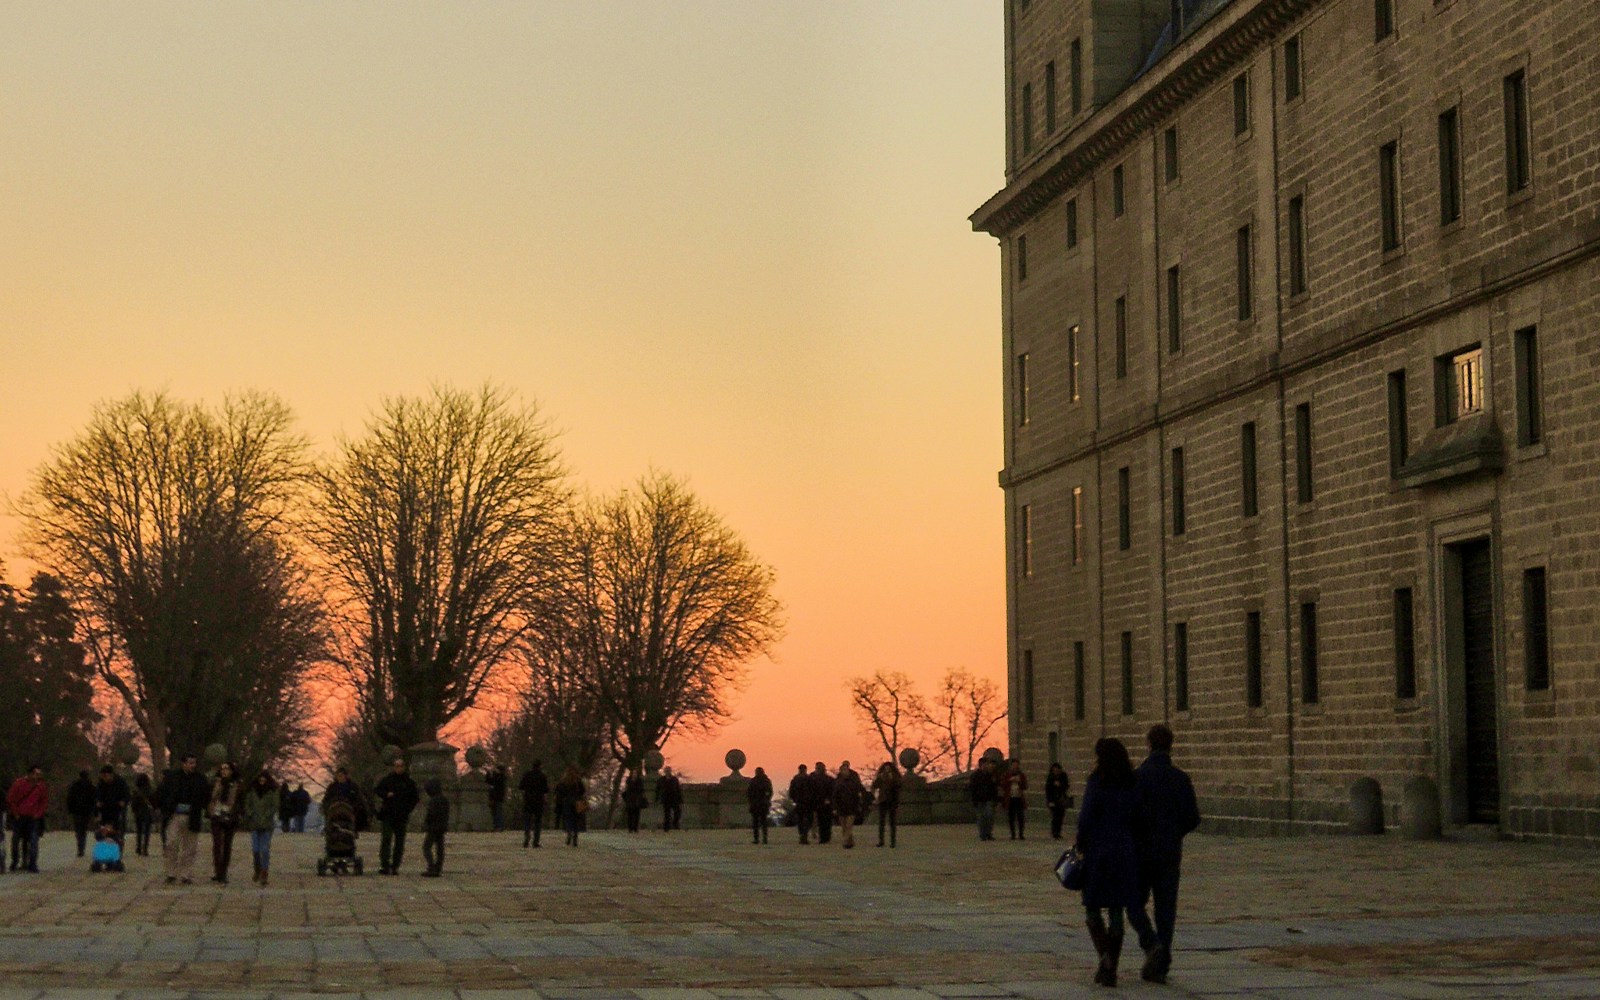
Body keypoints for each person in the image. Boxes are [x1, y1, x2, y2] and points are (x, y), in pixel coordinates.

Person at [1126, 724, 1201, 984]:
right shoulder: (1180, 779)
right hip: (1170, 853)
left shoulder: (1138, 778)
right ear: (1171, 745)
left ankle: (1150, 942)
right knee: (1166, 909)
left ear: (1149, 744)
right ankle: (1162, 961)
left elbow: (1129, 816)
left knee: (1134, 902)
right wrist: (1174, 833)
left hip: (1142, 853)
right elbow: (1193, 818)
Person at [1075, 737, 1141, 988]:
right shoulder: (1131, 782)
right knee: (1116, 910)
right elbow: (1138, 816)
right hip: (1124, 851)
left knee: (1092, 907)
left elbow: (1086, 816)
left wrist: (1081, 842)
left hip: (1099, 852)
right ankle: (1111, 964)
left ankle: (1105, 959)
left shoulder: (1098, 781)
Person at [158, 753, 210, 885]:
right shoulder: (172, 777)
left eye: (194, 763)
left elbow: (206, 796)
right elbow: (162, 793)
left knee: (190, 847)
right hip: (174, 815)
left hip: (192, 816)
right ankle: (171, 872)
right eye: (190, 763)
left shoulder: (200, 779)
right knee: (171, 843)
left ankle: (185, 874)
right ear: (183, 763)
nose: (193, 765)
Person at [374, 758, 420, 875]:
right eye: (396, 766)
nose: (398, 768)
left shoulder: (409, 782)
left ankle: (395, 866)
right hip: (388, 814)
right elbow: (378, 790)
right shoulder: (388, 780)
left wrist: (407, 809)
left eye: (400, 766)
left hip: (401, 815)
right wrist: (386, 794)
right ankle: (385, 865)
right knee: (386, 839)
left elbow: (414, 798)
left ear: (404, 767)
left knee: (399, 842)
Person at [240, 768, 279, 886]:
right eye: (260, 778)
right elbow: (248, 804)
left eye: (264, 778)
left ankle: (264, 872)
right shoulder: (252, 791)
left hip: (267, 825)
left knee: (265, 850)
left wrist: (267, 815)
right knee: (255, 850)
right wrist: (250, 814)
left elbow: (275, 805)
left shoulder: (272, 791)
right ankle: (257, 868)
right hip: (255, 824)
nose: (262, 780)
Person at [7, 765, 49, 872]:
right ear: (30, 774)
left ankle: (32, 864)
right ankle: (15, 861)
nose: (38, 776)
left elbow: (43, 802)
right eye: (36, 774)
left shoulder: (41, 786)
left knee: (33, 841)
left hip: (33, 818)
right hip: (20, 817)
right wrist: (15, 813)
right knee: (16, 840)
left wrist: (38, 813)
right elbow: (11, 799)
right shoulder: (19, 783)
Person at [208, 761, 242, 884]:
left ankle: (224, 872)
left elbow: (239, 802)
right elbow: (211, 797)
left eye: (226, 769)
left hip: (230, 816)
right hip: (217, 815)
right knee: (217, 844)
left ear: (231, 771)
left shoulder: (237, 785)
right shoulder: (216, 783)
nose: (224, 771)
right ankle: (218, 872)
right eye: (222, 769)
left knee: (227, 845)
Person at [831, 761, 865, 849]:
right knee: (844, 826)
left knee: (849, 825)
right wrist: (834, 807)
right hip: (841, 806)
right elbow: (834, 795)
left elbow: (859, 790)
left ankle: (845, 842)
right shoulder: (838, 780)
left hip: (851, 805)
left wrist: (860, 802)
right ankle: (850, 841)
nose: (844, 772)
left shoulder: (854, 778)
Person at [421, 779, 450, 877]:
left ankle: (431, 867)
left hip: (433, 827)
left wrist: (426, 824)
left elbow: (431, 814)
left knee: (426, 847)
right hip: (441, 827)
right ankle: (438, 868)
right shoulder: (444, 799)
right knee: (440, 848)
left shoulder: (433, 800)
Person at [871, 761, 902, 848]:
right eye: (885, 768)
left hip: (892, 801)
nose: (887, 770)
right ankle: (881, 840)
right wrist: (875, 797)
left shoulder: (895, 777)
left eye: (888, 768)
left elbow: (899, 786)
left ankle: (893, 841)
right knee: (882, 822)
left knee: (892, 823)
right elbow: (874, 786)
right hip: (883, 801)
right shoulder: (881, 777)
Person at [67, 770, 96, 857]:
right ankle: (82, 847)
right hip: (86, 811)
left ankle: (80, 847)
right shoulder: (91, 786)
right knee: (83, 830)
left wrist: (70, 809)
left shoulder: (74, 786)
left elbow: (70, 798)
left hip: (76, 811)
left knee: (78, 830)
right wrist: (93, 811)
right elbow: (94, 799)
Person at [553, 766, 586, 847]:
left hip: (567, 802)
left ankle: (569, 834)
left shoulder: (564, 781)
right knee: (576, 820)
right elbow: (583, 791)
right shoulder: (578, 781)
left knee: (568, 819)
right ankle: (575, 837)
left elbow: (560, 791)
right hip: (577, 802)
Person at [969, 758, 999, 841]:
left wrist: (995, 799)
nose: (987, 766)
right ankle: (983, 834)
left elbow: (994, 788)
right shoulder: (975, 775)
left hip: (989, 799)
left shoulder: (991, 775)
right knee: (981, 817)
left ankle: (988, 833)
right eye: (985, 764)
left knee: (989, 816)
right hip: (979, 799)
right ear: (981, 765)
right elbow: (972, 789)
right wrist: (974, 800)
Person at [520, 760, 548, 848]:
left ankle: (527, 837)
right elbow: (546, 789)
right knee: (538, 821)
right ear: (540, 766)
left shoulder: (527, 774)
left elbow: (521, 786)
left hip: (528, 800)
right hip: (538, 801)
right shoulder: (542, 776)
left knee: (527, 821)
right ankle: (536, 841)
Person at [95, 765, 130, 831]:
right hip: (105, 809)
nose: (104, 778)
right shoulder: (101, 783)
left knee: (118, 827)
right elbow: (97, 795)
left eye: (105, 776)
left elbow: (126, 794)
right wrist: (98, 802)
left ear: (111, 774)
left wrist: (123, 801)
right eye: (102, 776)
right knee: (105, 829)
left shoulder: (120, 782)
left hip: (117, 808)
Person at [1001, 759, 1029, 840]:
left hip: (1019, 798)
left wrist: (1019, 782)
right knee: (1011, 817)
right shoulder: (1007, 774)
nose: (1015, 767)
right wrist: (1010, 781)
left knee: (1020, 816)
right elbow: (1003, 784)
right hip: (1010, 798)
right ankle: (1013, 834)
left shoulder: (1021, 775)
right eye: (1013, 765)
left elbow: (1025, 786)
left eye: (1016, 765)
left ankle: (1021, 833)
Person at [130, 774, 156, 856]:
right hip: (147, 812)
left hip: (138, 813)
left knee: (139, 831)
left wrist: (134, 810)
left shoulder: (136, 791)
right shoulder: (150, 791)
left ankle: (138, 847)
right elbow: (154, 802)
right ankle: (145, 848)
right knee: (147, 832)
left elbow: (133, 803)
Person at [1045, 762, 1072, 840]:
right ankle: (1055, 833)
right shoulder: (1050, 778)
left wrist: (1060, 785)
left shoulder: (1063, 776)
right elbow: (1048, 790)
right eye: (1054, 770)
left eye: (1057, 770)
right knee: (1055, 816)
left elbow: (1066, 786)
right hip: (1053, 800)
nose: (1056, 771)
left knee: (1061, 816)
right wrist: (1050, 801)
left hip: (1061, 799)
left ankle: (1058, 832)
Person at [746, 766, 773, 845]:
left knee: (756, 823)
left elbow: (749, 793)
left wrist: (751, 801)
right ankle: (763, 838)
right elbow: (770, 792)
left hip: (756, 804)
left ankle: (757, 838)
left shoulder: (754, 781)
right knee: (763, 822)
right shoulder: (766, 781)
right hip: (762, 804)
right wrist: (767, 799)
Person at [787, 764, 813, 844]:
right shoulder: (809, 779)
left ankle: (802, 834)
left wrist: (794, 799)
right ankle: (804, 835)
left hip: (799, 802)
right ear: (805, 769)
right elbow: (813, 790)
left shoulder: (795, 779)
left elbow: (791, 791)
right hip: (808, 803)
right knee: (808, 819)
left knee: (800, 820)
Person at [811, 762, 835, 845]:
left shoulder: (813, 779)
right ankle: (825, 837)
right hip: (823, 803)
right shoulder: (830, 779)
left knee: (823, 821)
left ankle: (824, 838)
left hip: (820, 803)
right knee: (825, 822)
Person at [656, 767, 683, 832]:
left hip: (674, 798)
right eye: (666, 771)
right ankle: (666, 827)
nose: (668, 772)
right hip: (666, 798)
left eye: (668, 771)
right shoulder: (661, 779)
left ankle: (675, 824)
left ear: (670, 771)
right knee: (667, 814)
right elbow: (658, 790)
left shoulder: (674, 779)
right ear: (665, 772)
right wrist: (657, 799)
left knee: (677, 812)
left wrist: (680, 799)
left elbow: (678, 789)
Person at [485, 766, 508, 833]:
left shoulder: (501, 777)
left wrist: (491, 773)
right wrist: (488, 773)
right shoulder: (498, 777)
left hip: (497, 797)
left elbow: (492, 782)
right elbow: (489, 781)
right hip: (495, 797)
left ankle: (499, 826)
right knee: (495, 813)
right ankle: (497, 826)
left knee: (498, 812)